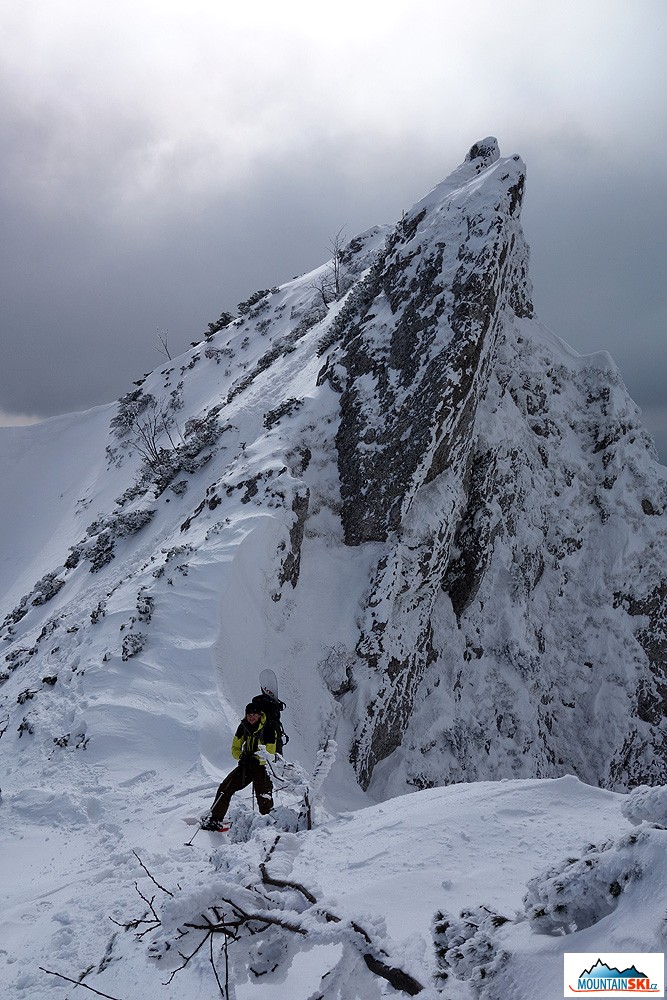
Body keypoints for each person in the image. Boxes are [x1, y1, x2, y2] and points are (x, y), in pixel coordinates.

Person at [201, 704, 276, 831]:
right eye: (249, 714)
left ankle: (269, 827)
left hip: (263, 768)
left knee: (264, 797)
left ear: (259, 715)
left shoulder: (268, 729)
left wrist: (256, 759)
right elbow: (235, 748)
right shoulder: (243, 726)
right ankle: (215, 820)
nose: (251, 717)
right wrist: (242, 756)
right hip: (246, 765)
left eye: (254, 714)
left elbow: (271, 753)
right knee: (225, 788)